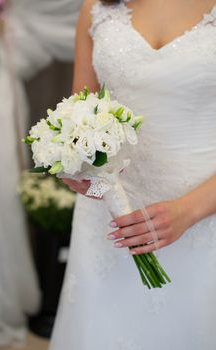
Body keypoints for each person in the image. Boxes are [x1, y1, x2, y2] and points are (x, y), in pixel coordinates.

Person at [50, 0, 216, 349]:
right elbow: (80, 113)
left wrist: (188, 211)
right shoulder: (96, 7)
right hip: (108, 218)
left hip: (203, 215)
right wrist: (76, 166)